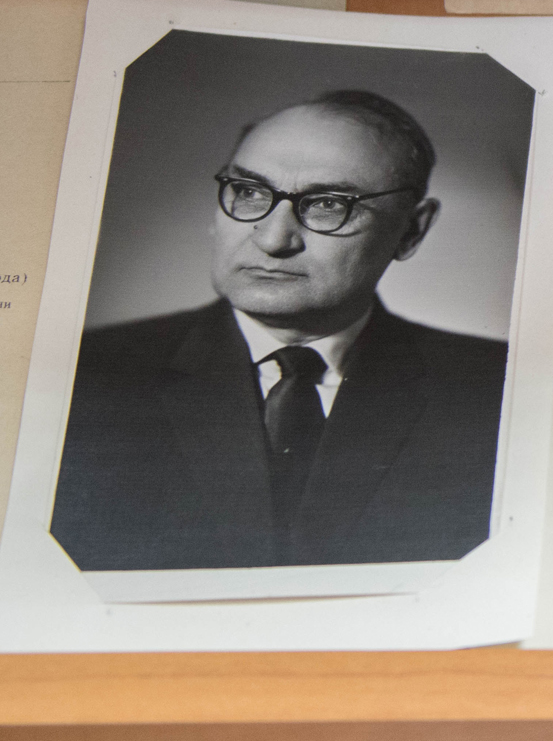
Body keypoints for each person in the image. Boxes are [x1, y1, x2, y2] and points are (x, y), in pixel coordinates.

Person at [51, 90, 508, 571]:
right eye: (249, 192)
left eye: (328, 204)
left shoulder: (499, 391)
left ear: (411, 231)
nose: (273, 240)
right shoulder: (80, 378)